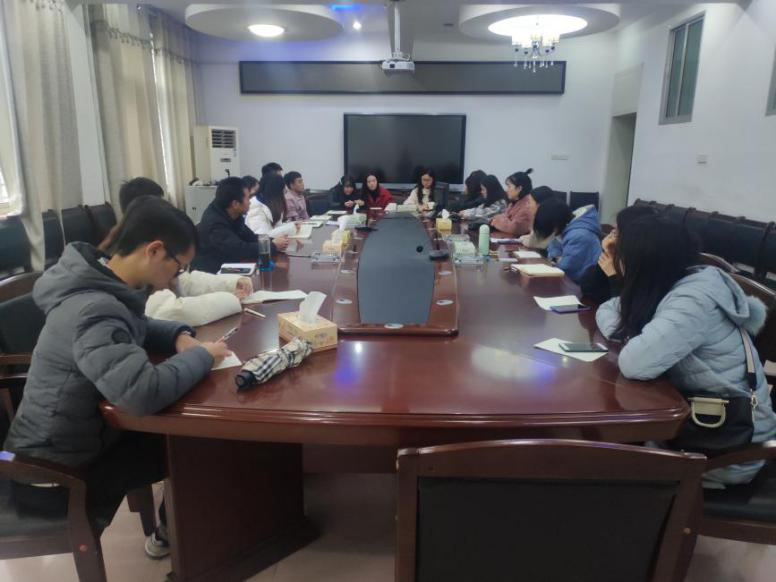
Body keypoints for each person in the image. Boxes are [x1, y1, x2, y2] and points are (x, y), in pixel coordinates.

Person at [4, 198, 231, 558]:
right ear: (154, 250)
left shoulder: (98, 282)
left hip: (61, 447)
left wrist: (176, 336)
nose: (177, 277)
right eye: (178, 266)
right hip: (52, 477)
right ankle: (178, 539)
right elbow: (143, 392)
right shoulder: (95, 308)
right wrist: (203, 356)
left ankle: (173, 529)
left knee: (182, 438)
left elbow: (134, 324)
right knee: (193, 444)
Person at [595, 216, 776, 487]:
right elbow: (609, 308)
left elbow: (634, 363)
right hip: (698, 424)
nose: (618, 264)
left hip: (729, 448)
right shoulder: (674, 282)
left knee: (603, 464)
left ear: (645, 261)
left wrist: (628, 334)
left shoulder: (692, 301)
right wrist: (628, 332)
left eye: (622, 256)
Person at [191, 177, 286, 273]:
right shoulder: (215, 223)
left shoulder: (232, 213)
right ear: (235, 204)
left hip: (230, 264)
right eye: (248, 198)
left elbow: (250, 237)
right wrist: (272, 246)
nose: (250, 202)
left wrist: (271, 241)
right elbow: (238, 250)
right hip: (214, 272)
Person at [579, 205, 656, 304]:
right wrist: (606, 253)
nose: (612, 233)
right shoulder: (620, 256)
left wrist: (613, 276)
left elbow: (623, 307)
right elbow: (588, 288)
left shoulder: (644, 264)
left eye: (617, 230)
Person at [533, 199, 601, 283]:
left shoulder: (579, 236)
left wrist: (557, 260)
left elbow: (566, 271)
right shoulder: (564, 227)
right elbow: (553, 251)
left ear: (555, 224)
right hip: (570, 282)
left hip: (581, 286)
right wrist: (557, 259)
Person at [247, 173, 297, 239]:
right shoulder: (255, 207)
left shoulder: (271, 204)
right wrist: (291, 228)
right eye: (282, 190)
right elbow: (262, 237)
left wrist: (293, 225)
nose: (285, 191)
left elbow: (277, 226)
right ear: (276, 192)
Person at [490, 169, 536, 235]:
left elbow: (515, 228)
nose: (507, 190)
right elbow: (504, 217)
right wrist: (504, 220)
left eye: (509, 187)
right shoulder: (514, 202)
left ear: (519, 188)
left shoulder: (527, 206)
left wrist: (497, 220)